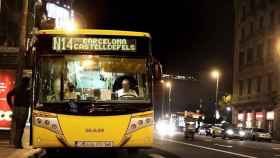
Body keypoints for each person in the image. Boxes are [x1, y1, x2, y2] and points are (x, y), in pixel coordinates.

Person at [7, 77, 31, 148]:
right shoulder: (27, 90)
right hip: (23, 109)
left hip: (16, 109)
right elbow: (29, 101)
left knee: (17, 126)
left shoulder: (17, 88)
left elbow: (8, 95)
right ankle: (17, 143)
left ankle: (16, 142)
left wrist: (11, 106)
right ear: (27, 82)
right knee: (21, 127)